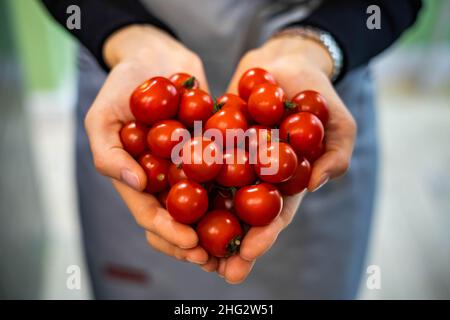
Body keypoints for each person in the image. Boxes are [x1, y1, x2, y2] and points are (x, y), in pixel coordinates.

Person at [41, 0, 421, 299]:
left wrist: (319, 43)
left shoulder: (287, 133)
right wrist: (124, 35)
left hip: (318, 76)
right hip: (126, 75)